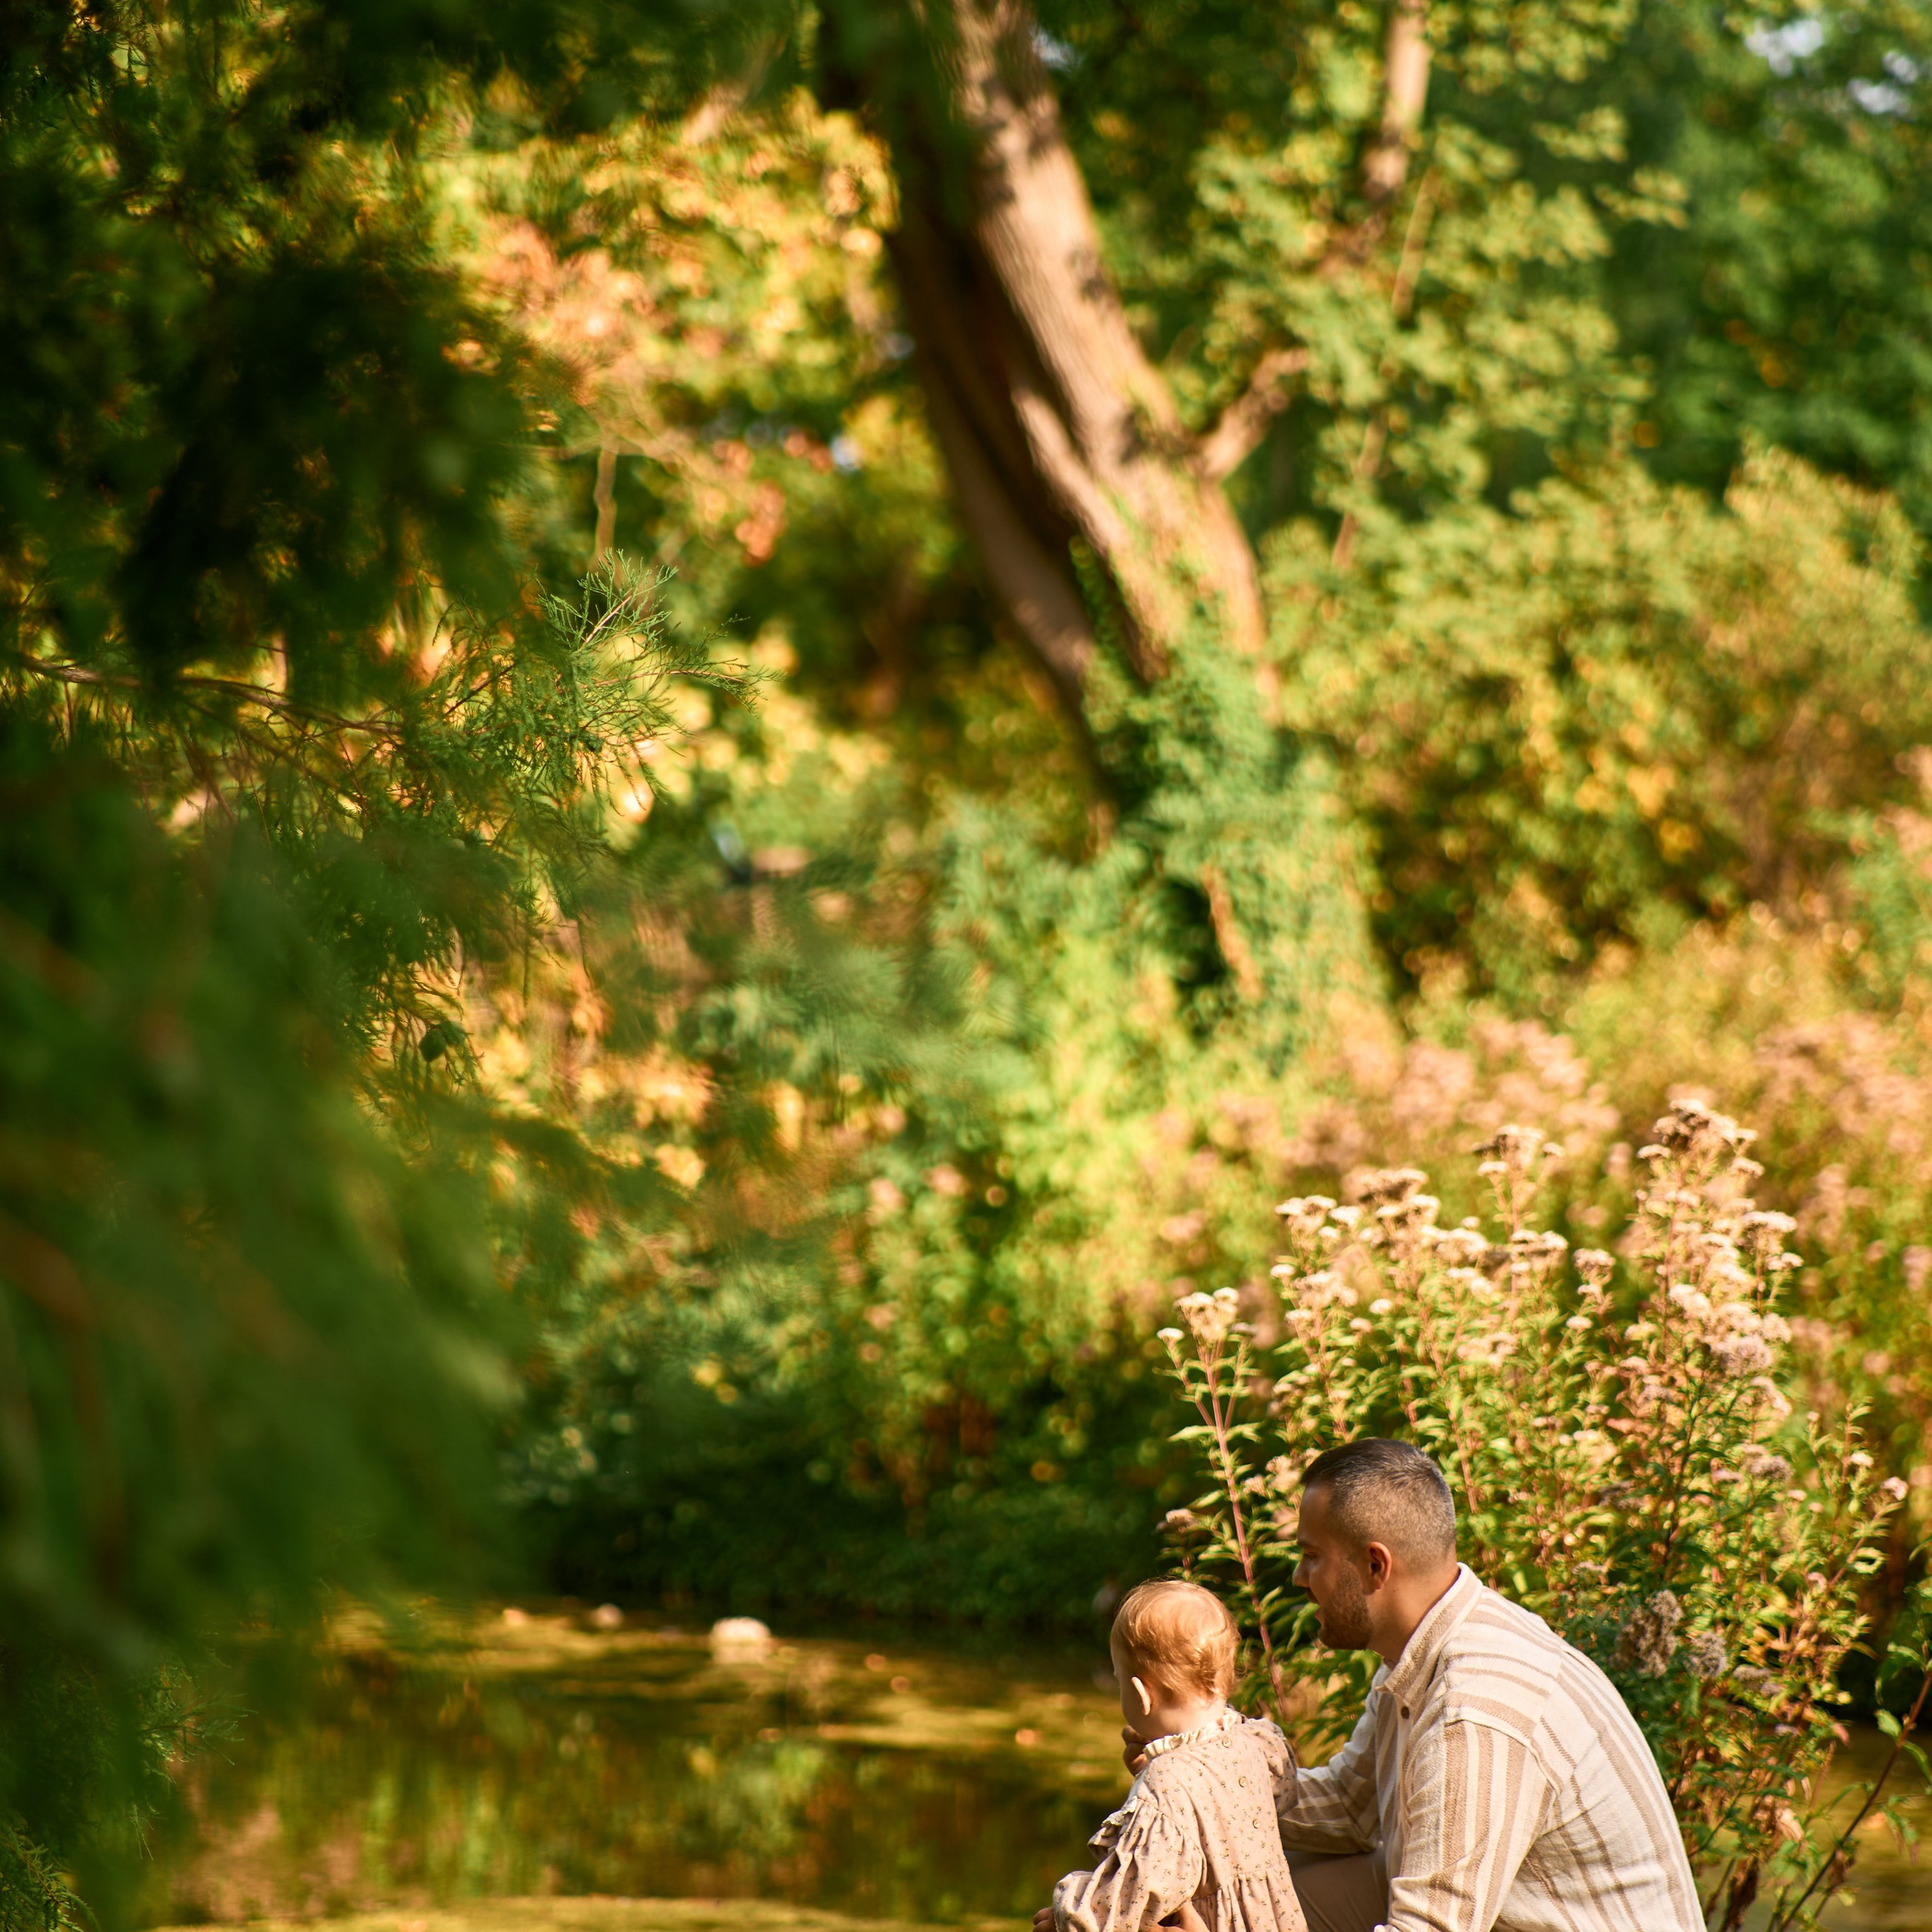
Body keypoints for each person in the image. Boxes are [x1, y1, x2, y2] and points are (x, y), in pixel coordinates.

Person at [1276, 1438, 1703, 1932]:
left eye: (1311, 1556)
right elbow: (1352, 1805)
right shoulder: (1426, 1643)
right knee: (1247, 1886)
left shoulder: (1474, 1714)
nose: (1297, 1577)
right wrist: (1206, 1784)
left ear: (1376, 1565)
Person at [1036, 1580, 1309, 1932]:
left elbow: (1131, 1899)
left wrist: (1067, 1911)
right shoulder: (1258, 1740)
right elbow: (1282, 1796)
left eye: (1120, 1681)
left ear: (1141, 1694)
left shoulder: (1165, 1783)